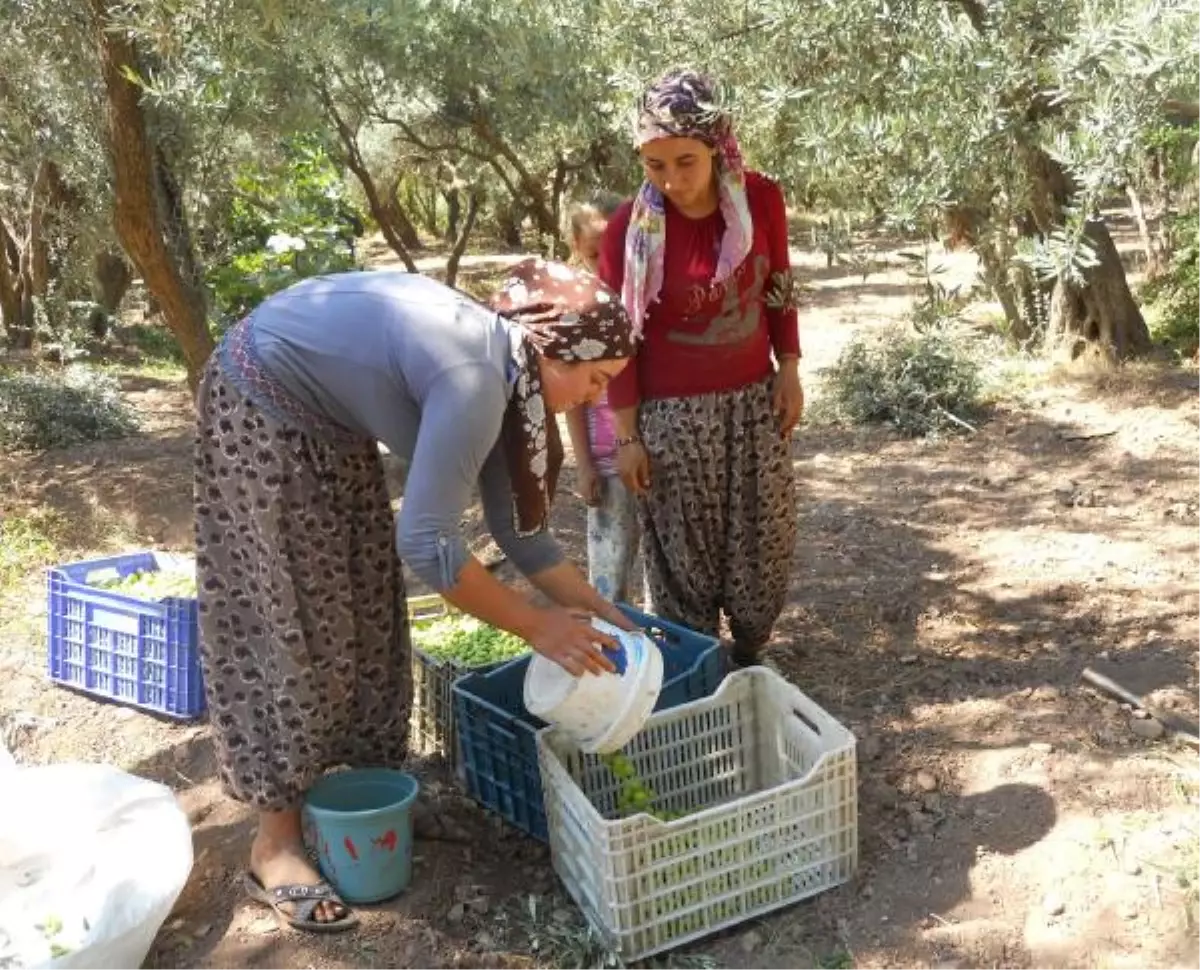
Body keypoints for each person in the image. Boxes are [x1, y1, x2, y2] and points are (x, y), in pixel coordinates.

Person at [193, 258, 637, 932]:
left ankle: (368, 796)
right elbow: (427, 543)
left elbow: (521, 534)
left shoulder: (516, 383)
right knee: (289, 619)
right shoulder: (477, 378)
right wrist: (536, 626)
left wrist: (610, 614)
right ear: (555, 348)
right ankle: (275, 843)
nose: (595, 397)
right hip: (261, 405)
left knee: (366, 611)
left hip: (328, 426)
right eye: (595, 378)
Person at [598, 68, 804, 668]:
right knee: (683, 552)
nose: (671, 181)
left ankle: (749, 653)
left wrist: (788, 366)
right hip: (670, 417)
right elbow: (619, 341)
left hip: (753, 403)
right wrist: (627, 437)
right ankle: (694, 664)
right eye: (654, 165)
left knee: (764, 536)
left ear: (716, 145)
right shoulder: (627, 232)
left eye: (685, 162)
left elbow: (779, 288)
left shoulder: (761, 199)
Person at [562, 193, 643, 603]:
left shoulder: (644, 297)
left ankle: (666, 657)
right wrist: (584, 465)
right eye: (597, 252)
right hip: (606, 460)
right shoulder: (576, 311)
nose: (607, 262)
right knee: (610, 576)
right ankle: (619, 656)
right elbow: (573, 397)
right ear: (577, 247)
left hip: (652, 455)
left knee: (663, 576)